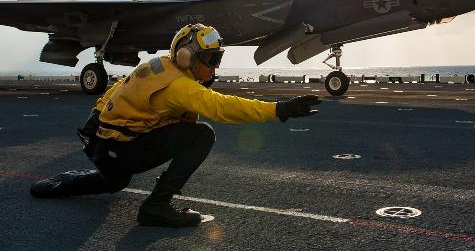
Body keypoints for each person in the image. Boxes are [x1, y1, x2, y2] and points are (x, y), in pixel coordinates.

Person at [29, 23, 321, 228]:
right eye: (210, 59)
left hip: (104, 146)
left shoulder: (158, 66)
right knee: (200, 135)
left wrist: (96, 114)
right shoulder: (179, 86)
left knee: (116, 181)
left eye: (217, 59)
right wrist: (280, 109)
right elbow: (222, 107)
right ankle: (156, 208)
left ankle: (63, 184)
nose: (214, 67)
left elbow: (120, 85)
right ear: (187, 56)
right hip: (117, 148)